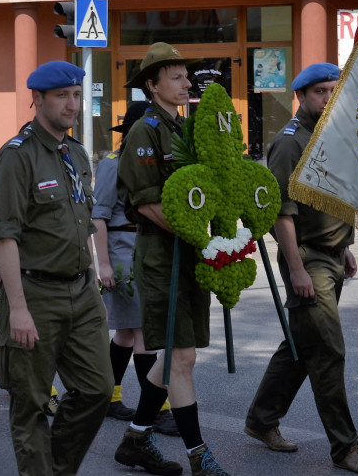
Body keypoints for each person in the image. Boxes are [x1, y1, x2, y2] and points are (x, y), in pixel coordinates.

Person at [244, 63, 358, 475]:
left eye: (333, 91)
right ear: (301, 96)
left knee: (300, 345)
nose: (328, 99)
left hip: (329, 255)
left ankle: (260, 419)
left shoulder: (327, 136)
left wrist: (343, 248)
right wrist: (297, 268)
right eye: (320, 91)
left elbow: (331, 198)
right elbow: (281, 214)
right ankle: (346, 448)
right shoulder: (290, 144)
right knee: (327, 351)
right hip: (305, 259)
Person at [0, 61, 111, 476]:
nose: (71, 104)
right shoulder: (16, 156)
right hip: (35, 293)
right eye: (62, 96)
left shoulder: (75, 153)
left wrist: (94, 283)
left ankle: (55, 468)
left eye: (76, 95)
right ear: (37, 99)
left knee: (96, 390)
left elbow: (83, 224)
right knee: (31, 403)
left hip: (81, 291)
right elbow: (5, 236)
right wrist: (18, 308)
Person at [114, 42, 223, 476]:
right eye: (175, 77)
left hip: (188, 251)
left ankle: (136, 438)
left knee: (182, 355)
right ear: (151, 85)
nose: (186, 83)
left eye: (186, 75)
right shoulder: (145, 131)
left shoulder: (183, 129)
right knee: (181, 358)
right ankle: (200, 455)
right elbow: (144, 203)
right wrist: (200, 236)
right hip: (161, 254)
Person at [93, 101, 179, 435]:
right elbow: (98, 215)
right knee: (144, 330)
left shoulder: (151, 164)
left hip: (146, 247)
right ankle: (156, 409)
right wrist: (103, 264)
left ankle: (109, 397)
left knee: (128, 332)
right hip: (122, 250)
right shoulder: (113, 164)